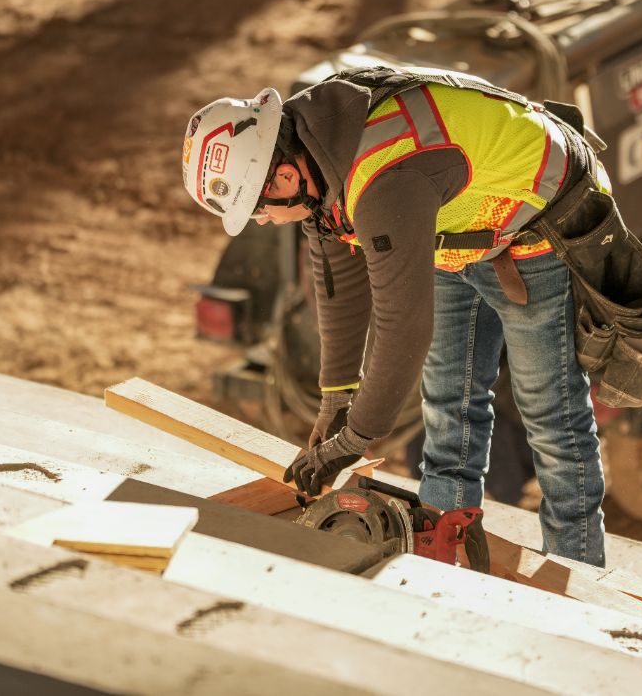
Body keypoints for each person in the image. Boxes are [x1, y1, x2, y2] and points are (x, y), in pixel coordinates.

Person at [180, 68, 608, 566]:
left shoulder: (380, 182)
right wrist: (335, 397)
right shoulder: (314, 151)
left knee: (550, 415)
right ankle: (446, 556)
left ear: (285, 179)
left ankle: (577, 572)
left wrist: (355, 440)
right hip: (454, 221)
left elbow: (403, 330)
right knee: (448, 400)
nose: (262, 220)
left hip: (537, 210)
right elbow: (337, 282)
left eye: (259, 210)